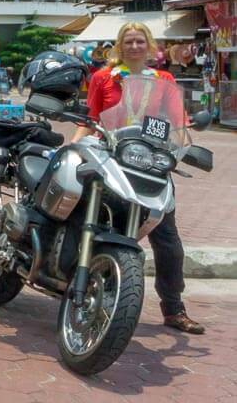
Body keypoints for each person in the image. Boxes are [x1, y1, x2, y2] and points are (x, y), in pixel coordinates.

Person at [72, 21, 204, 334]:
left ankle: (174, 308)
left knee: (167, 239)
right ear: (119, 46)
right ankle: (80, 287)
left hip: (150, 165)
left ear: (150, 46)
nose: (134, 47)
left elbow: (178, 124)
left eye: (140, 41)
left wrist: (185, 149)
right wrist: (75, 145)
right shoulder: (104, 77)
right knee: (89, 221)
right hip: (110, 162)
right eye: (128, 42)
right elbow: (91, 119)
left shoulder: (164, 80)